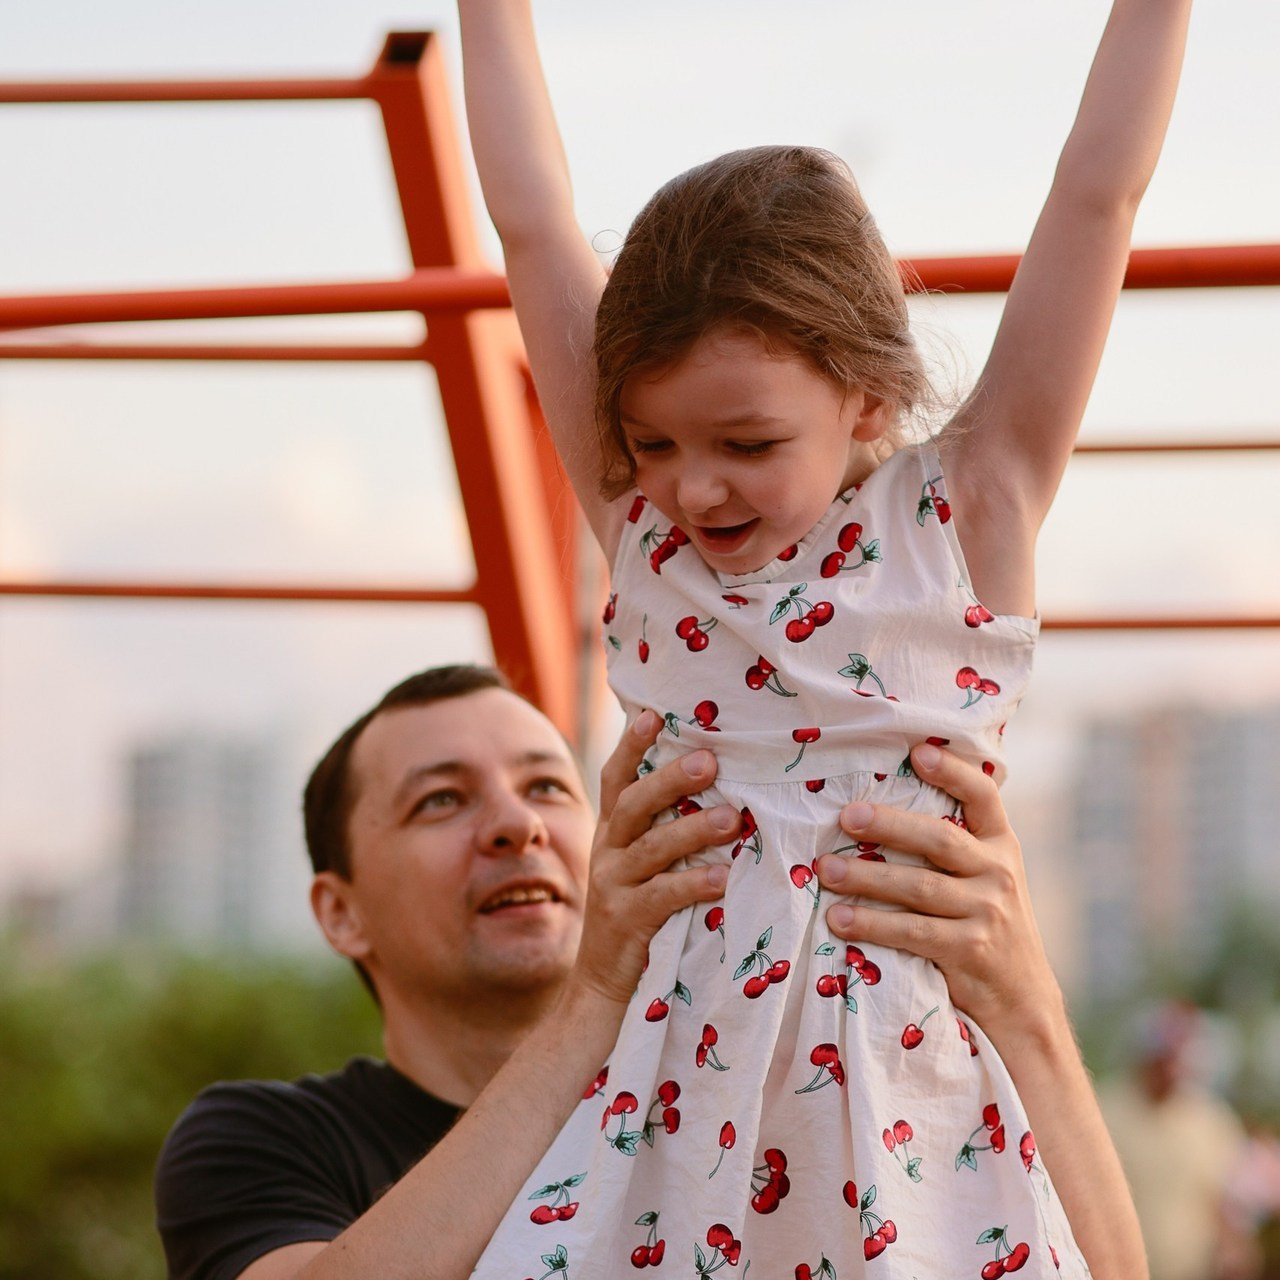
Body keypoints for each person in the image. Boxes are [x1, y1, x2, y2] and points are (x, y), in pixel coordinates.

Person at [456, 0, 1191, 1273]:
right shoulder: (643, 529)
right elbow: (528, 219)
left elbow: (1095, 197)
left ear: (865, 394)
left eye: (746, 443)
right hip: (680, 1107)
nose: (693, 485)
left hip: (911, 1106)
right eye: (652, 441)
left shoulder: (965, 512)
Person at [154, 664, 1141, 1280]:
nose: (516, 824)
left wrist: (1021, 998)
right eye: (441, 800)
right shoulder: (263, 1138)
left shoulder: (737, 1086)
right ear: (340, 910)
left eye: (547, 786)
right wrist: (594, 998)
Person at [1100, 1002, 1256, 1280]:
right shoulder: (1102, 1109)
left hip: (1191, 1270)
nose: (1170, 1067)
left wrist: (1234, 1246)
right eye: (1162, 1056)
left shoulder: (1211, 1120)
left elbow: (1223, 1198)